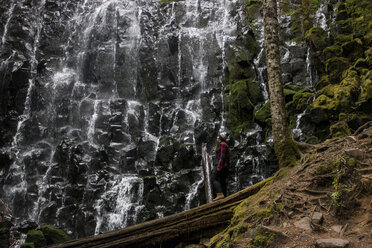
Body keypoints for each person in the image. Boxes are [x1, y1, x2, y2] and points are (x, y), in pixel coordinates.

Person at [212, 135, 229, 201]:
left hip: (219, 165)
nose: (217, 138)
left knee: (214, 178)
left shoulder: (223, 144)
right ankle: (224, 196)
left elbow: (222, 156)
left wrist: (219, 166)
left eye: (218, 137)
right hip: (222, 165)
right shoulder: (221, 145)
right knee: (222, 181)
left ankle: (220, 194)